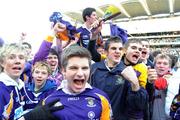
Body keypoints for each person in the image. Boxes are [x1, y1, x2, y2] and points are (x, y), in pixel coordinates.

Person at [20, 45, 112, 120]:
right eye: (74, 68)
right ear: (63, 71)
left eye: (84, 68)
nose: (80, 73)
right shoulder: (49, 101)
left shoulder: (101, 98)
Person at [90, 36, 148, 120]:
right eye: (114, 48)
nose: (117, 51)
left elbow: (139, 105)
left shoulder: (130, 73)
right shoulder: (94, 69)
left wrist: (135, 83)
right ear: (106, 52)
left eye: (120, 49)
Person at [0, 43, 27, 120]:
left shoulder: (20, 85)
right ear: (2, 62)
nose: (17, 61)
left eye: (21, 58)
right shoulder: (1, 89)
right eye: (11, 57)